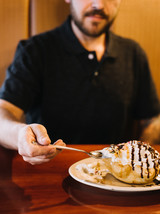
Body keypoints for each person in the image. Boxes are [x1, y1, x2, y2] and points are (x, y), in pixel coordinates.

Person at [0, 0, 159, 165]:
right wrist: (20, 135)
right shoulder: (35, 51)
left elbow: (151, 120)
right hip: (50, 171)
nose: (99, 5)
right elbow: (3, 114)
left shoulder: (133, 53)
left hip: (115, 178)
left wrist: (139, 160)